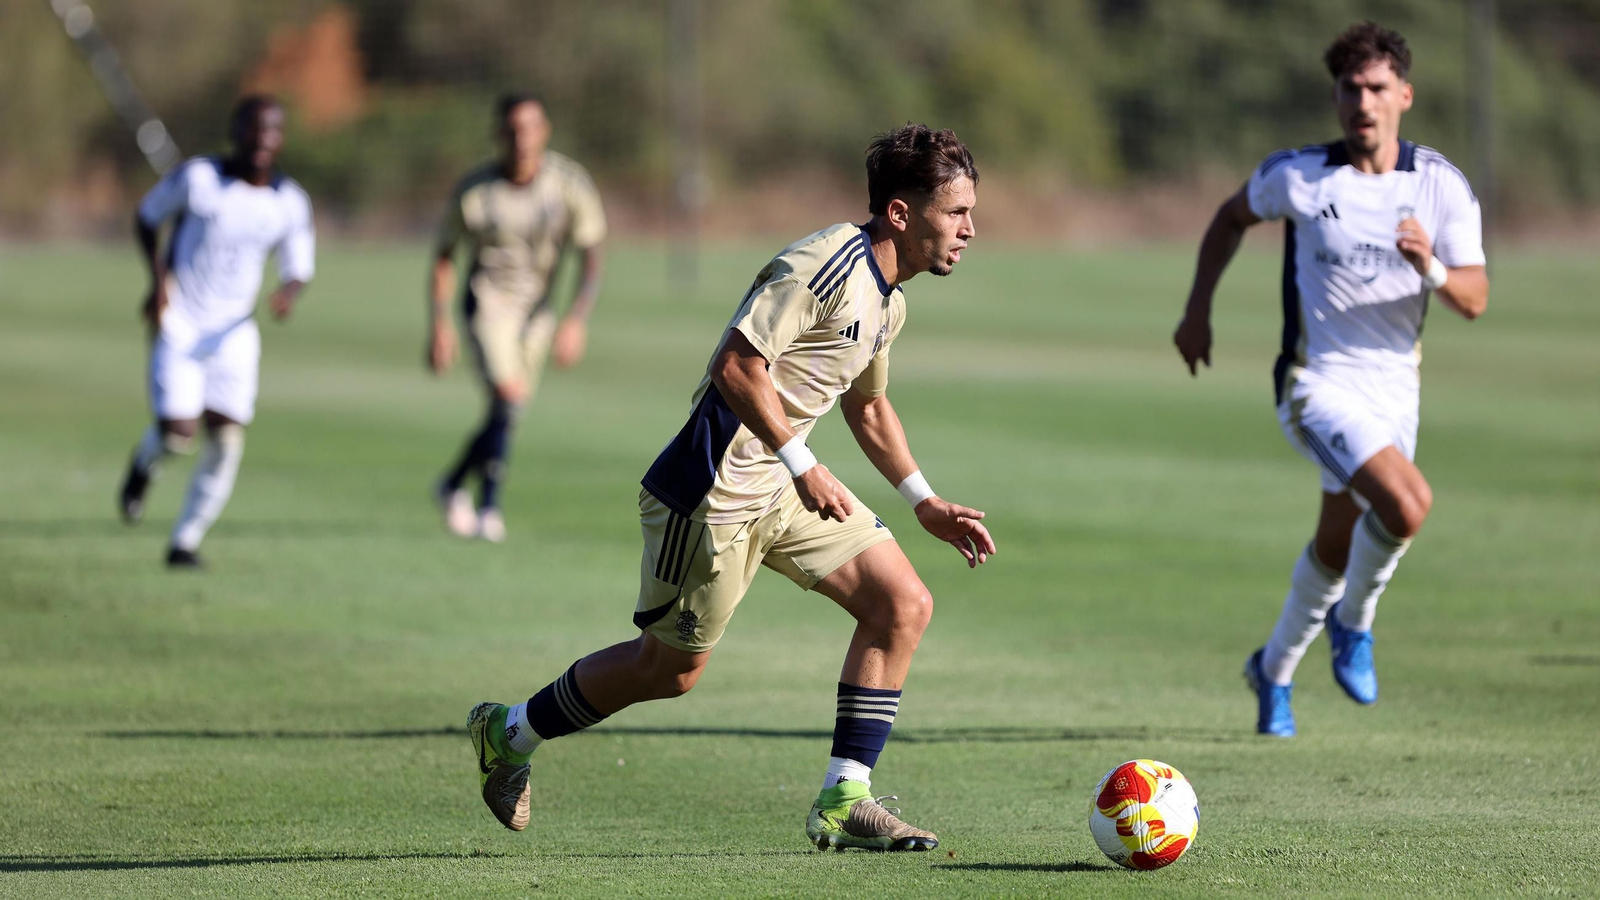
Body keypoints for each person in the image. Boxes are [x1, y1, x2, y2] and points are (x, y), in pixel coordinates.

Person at [467, 124, 996, 851]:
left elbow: (867, 405)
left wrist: (922, 500)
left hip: (782, 486)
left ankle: (844, 800)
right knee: (668, 671)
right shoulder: (822, 267)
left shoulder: (890, 298)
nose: (971, 228)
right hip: (710, 494)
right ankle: (508, 731)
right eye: (956, 212)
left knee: (902, 603)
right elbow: (735, 367)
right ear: (901, 214)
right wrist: (802, 464)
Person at [1173, 22, 1489, 736]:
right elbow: (1229, 218)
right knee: (1407, 506)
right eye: (1351, 88)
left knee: (1337, 541)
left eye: (1378, 88)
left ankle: (1273, 671)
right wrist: (1197, 311)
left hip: (1395, 389)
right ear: (1337, 96)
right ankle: (1355, 624)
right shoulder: (1301, 175)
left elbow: (1474, 298)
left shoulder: (1438, 184)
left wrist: (1430, 266)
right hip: (1316, 384)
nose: (1363, 102)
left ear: (1404, 95)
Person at [117, 95, 315, 568]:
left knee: (226, 441)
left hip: (234, 332)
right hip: (182, 322)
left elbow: (299, 265)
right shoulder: (199, 179)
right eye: (254, 128)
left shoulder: (289, 201)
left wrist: (287, 293)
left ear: (281, 138)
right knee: (177, 435)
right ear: (237, 131)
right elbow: (147, 219)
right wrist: (158, 280)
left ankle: (185, 541)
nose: (263, 139)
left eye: (273, 130)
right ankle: (144, 464)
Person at [428, 93, 607, 542]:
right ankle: (489, 507)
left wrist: (575, 319)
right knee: (507, 400)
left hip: (537, 313)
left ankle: (451, 485)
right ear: (498, 135)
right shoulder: (477, 191)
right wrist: (440, 323)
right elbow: (444, 256)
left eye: (530, 127)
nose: (521, 138)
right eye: (512, 129)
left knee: (509, 412)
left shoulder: (567, 185)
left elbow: (592, 254)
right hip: (487, 303)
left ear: (544, 132)